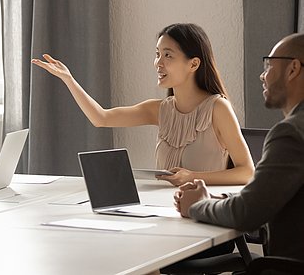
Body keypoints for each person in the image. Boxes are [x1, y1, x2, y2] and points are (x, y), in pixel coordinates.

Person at [32, 23, 254, 186]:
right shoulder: (159, 110)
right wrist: (68, 79)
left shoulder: (217, 108)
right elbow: (101, 118)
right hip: (164, 213)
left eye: (168, 55)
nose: (158, 62)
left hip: (205, 219)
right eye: (157, 54)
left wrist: (193, 176)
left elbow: (246, 172)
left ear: (193, 64)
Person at [174, 33, 304, 261]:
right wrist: (219, 199)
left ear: (293, 69)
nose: (262, 75)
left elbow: (246, 214)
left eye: (269, 65)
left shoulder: (291, 133)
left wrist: (197, 205)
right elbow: (266, 197)